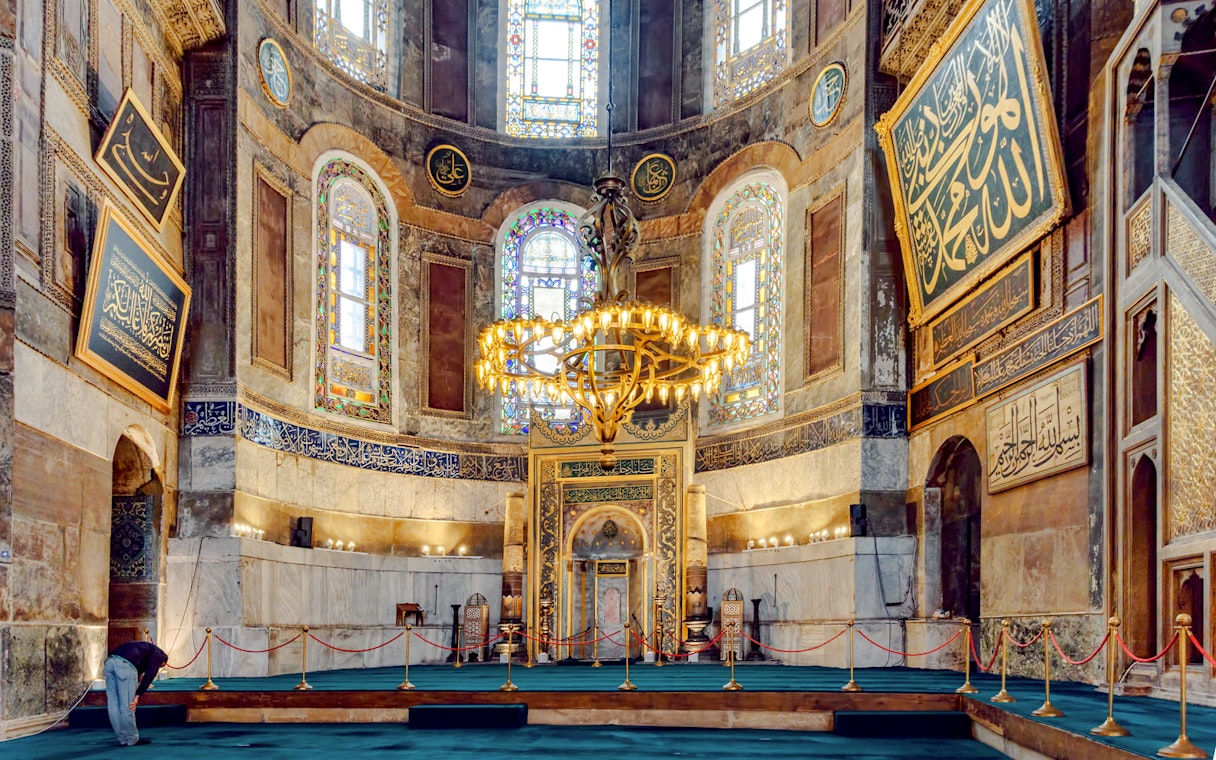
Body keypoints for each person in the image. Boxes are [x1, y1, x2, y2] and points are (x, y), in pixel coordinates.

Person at [103, 640, 168, 746]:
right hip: (125, 665)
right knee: (128, 705)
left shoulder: (144, 648)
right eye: (160, 666)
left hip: (109, 663)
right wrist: (138, 695)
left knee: (113, 705)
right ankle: (132, 739)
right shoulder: (159, 655)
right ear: (164, 662)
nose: (158, 667)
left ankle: (122, 738)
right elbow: (150, 675)